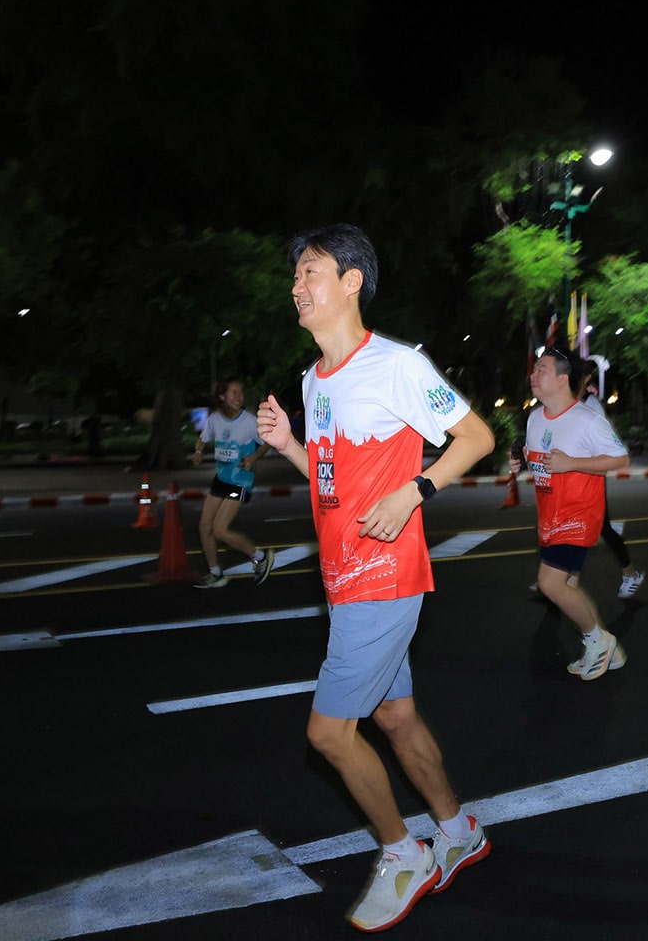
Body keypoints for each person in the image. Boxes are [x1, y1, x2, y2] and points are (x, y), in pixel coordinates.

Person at [256, 223, 495, 932]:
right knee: (394, 716)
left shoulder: (394, 366)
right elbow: (330, 486)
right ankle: (458, 832)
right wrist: (291, 444)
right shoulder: (314, 378)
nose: (297, 286)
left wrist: (416, 491)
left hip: (385, 577)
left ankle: (403, 853)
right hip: (342, 576)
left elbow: (477, 438)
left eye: (312, 271)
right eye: (296, 275)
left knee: (329, 735)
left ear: (351, 281)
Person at [509, 348, 631, 680]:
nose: (533, 376)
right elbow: (542, 462)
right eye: (533, 370)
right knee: (569, 585)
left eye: (542, 370)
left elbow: (621, 460)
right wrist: (522, 463)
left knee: (551, 584)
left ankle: (598, 641)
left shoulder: (588, 420)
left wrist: (573, 463)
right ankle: (608, 648)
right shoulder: (535, 418)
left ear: (563, 379)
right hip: (550, 517)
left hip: (579, 515)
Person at [192, 379, 274, 588]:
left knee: (219, 529)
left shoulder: (248, 421)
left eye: (240, 393)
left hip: (240, 483)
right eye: (233, 393)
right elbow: (203, 438)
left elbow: (266, 443)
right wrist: (199, 451)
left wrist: (253, 458)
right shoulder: (215, 419)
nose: (239, 397)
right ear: (222, 397)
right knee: (204, 526)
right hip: (221, 479)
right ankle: (216, 573)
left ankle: (260, 556)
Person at [577, 378, 646, 598]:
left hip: (591, 475)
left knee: (602, 527)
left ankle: (631, 573)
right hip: (570, 478)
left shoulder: (591, 405)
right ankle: (552, 578)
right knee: (561, 526)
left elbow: (610, 445)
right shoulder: (563, 405)